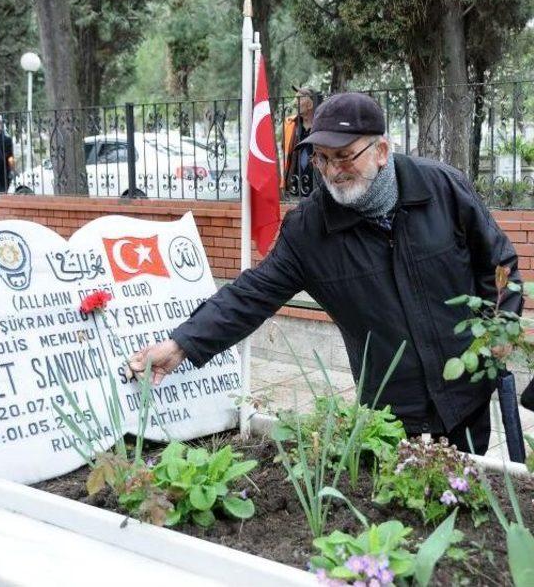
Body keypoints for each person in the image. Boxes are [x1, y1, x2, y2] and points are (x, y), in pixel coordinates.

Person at [127, 92, 523, 455]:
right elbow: (250, 295)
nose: (332, 171)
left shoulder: (441, 188)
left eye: (344, 156)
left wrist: (500, 327)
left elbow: (499, 263)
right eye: (321, 158)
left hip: (466, 397)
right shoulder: (311, 230)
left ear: (381, 150)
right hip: (392, 412)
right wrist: (180, 345)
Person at [282, 86, 317, 198]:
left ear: (310, 104)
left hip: (316, 186)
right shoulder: (291, 124)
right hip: (295, 185)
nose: (294, 103)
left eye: (299, 99)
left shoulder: (321, 124)